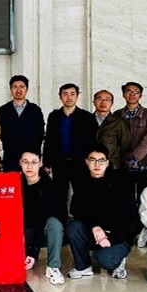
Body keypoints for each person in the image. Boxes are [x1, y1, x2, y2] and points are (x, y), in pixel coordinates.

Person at [65, 144, 138, 280]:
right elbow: (76, 209)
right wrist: (94, 226)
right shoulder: (82, 182)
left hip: (117, 235)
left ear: (107, 162)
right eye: (93, 160)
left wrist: (112, 239)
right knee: (73, 227)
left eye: (101, 160)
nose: (97, 164)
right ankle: (83, 266)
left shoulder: (120, 182)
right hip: (94, 232)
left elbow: (132, 219)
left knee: (106, 260)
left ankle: (118, 260)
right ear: (87, 162)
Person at [42, 83, 97, 220]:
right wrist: (47, 162)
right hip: (59, 162)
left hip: (80, 163)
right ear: (60, 97)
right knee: (59, 195)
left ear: (77, 96)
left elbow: (92, 142)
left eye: (72, 94)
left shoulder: (86, 117)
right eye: (65, 94)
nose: (69, 97)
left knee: (81, 194)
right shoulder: (54, 116)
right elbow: (49, 140)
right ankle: (61, 225)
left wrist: (90, 162)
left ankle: (79, 224)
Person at [20, 149, 65, 285]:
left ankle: (53, 266)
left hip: (41, 231)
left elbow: (41, 220)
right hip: (21, 233)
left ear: (40, 164)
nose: (29, 166)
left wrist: (34, 252)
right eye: (25, 162)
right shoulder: (15, 183)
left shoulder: (49, 187)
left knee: (54, 223)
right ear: (20, 163)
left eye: (34, 162)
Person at [113, 82, 147, 203]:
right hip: (124, 164)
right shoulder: (117, 114)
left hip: (144, 164)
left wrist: (134, 157)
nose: (132, 94)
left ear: (140, 95)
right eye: (129, 91)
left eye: (136, 92)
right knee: (127, 199)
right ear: (123, 94)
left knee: (144, 199)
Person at [0, 75, 45, 172]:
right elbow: (2, 132)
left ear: (26, 89)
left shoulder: (35, 110)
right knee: (12, 180)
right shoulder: (4, 110)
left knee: (30, 181)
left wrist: (35, 152)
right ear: (11, 90)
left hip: (31, 156)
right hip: (10, 156)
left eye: (22, 87)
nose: (18, 90)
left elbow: (40, 133)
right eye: (15, 87)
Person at [93, 89, 131, 170]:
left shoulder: (118, 122)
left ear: (112, 103)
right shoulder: (86, 120)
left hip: (111, 166)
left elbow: (125, 146)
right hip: (90, 165)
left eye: (107, 100)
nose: (103, 102)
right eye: (99, 99)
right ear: (94, 102)